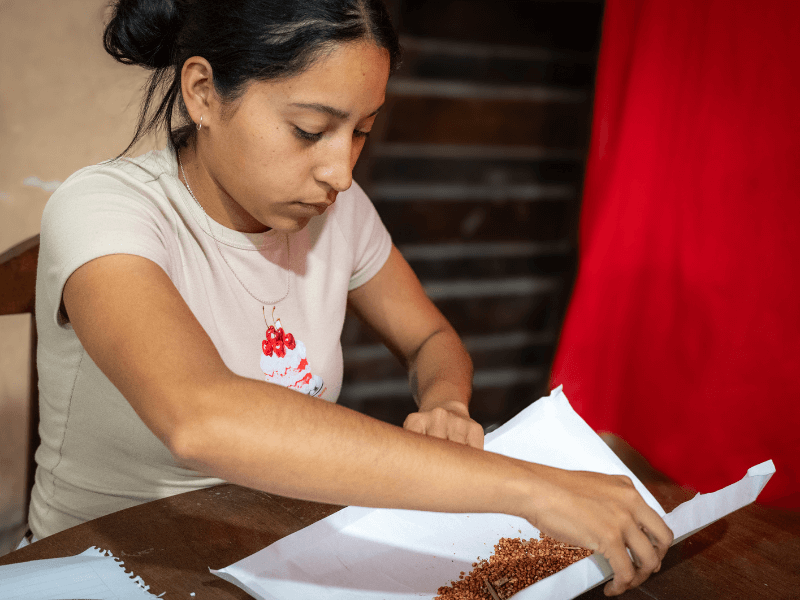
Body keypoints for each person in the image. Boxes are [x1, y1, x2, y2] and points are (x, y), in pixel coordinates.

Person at [27, 0, 672, 594]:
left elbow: (431, 340)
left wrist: (445, 400)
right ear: (203, 92)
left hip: (276, 553)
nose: (340, 172)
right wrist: (532, 489)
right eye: (310, 130)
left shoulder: (339, 213)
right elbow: (201, 417)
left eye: (361, 131)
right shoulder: (106, 209)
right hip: (110, 565)